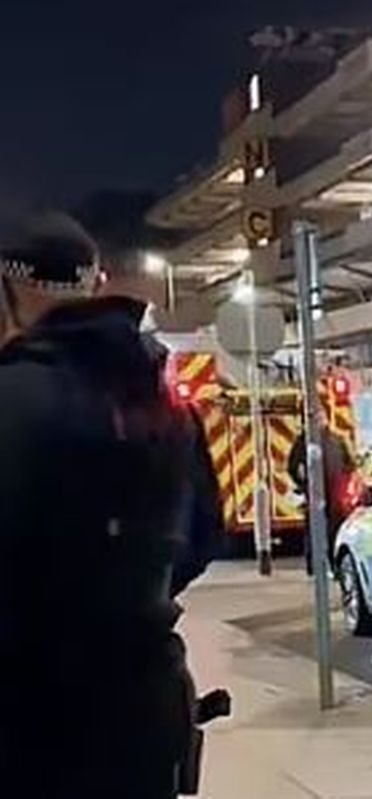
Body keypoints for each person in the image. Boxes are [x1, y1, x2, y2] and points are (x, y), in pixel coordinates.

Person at [0, 212, 211, 798]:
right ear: (94, 287)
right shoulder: (162, 401)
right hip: (143, 711)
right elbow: (202, 537)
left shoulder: (12, 398)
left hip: (29, 728)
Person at [288, 418, 354, 571]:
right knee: (321, 529)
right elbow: (292, 466)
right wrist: (303, 483)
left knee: (325, 529)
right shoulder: (306, 441)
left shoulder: (332, 440)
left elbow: (349, 465)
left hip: (329, 492)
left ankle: (326, 564)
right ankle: (320, 564)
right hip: (324, 492)